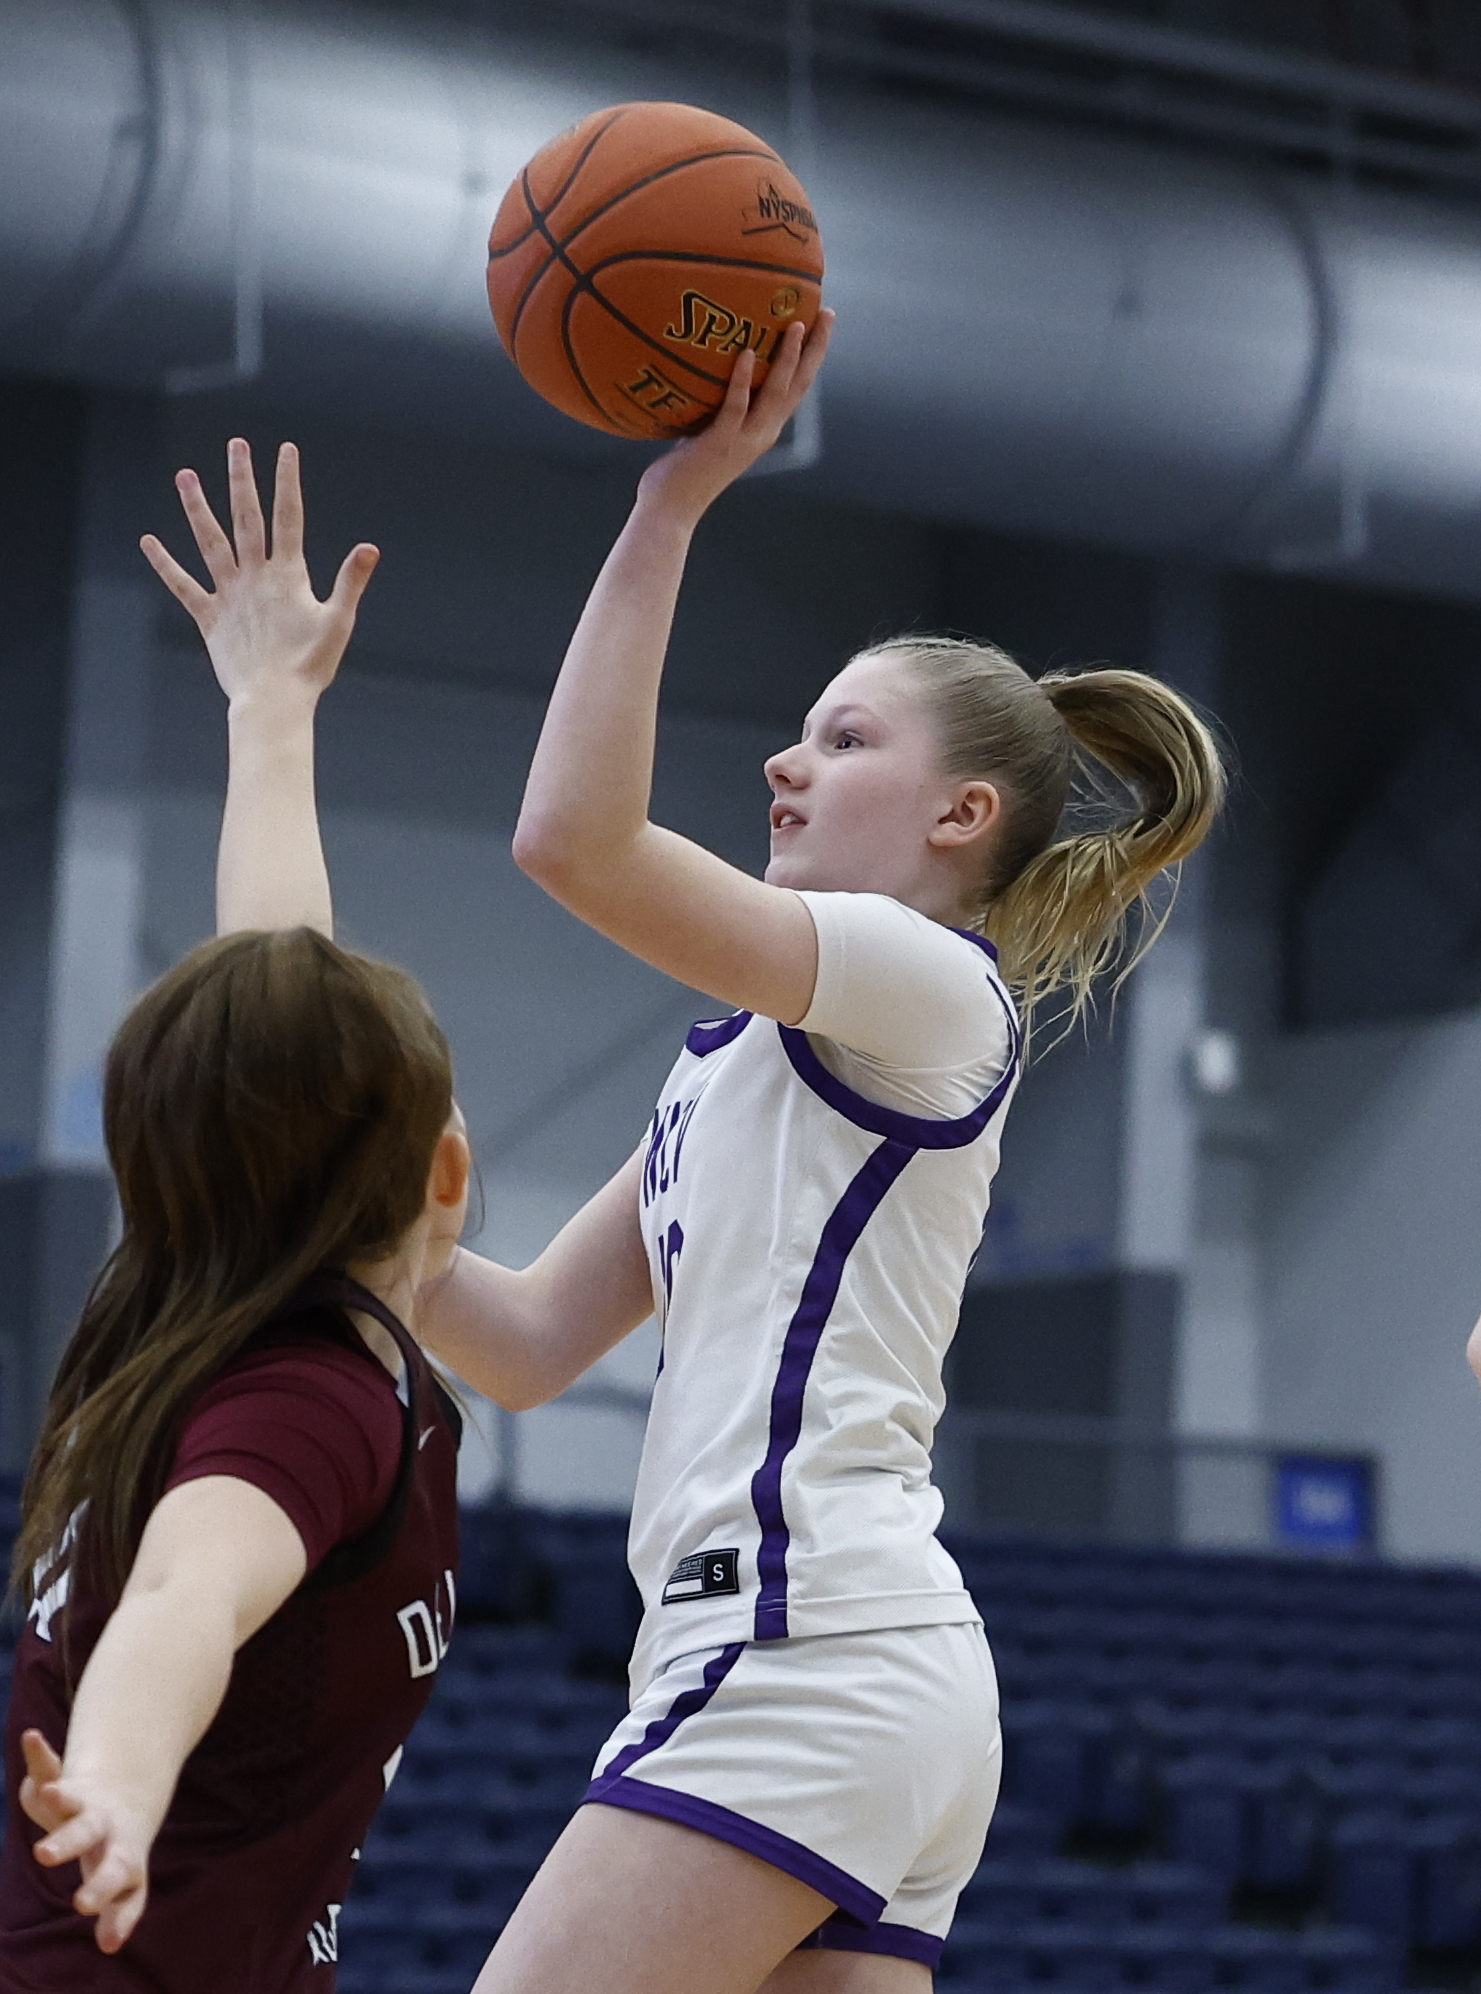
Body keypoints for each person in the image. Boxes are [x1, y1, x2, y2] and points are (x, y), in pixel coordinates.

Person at [155, 312, 1225, 1994]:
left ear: (964, 820)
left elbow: (570, 838)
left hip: (802, 1639)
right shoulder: (739, 1059)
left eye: (849, 737)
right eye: (802, 730)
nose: (788, 760)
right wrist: (332, 1164)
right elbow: (512, 1343)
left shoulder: (933, 986)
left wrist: (670, 505)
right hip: (853, 1675)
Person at [0, 457, 471, 1991]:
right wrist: (122, 1788)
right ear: (445, 1172)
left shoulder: (179, 1284)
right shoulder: (313, 1401)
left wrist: (270, 713)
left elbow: (276, 1006)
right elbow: (186, 1597)